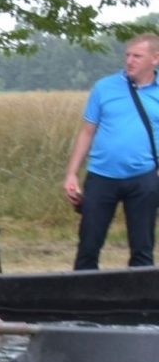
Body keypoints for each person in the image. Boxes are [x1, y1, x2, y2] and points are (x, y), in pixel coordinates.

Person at [65, 33, 159, 270]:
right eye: (128, 55)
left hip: (144, 178)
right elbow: (87, 132)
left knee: (142, 250)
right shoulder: (104, 87)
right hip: (101, 176)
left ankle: (141, 294)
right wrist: (72, 174)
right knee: (88, 246)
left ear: (155, 58)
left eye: (137, 56)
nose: (130, 61)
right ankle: (83, 293)